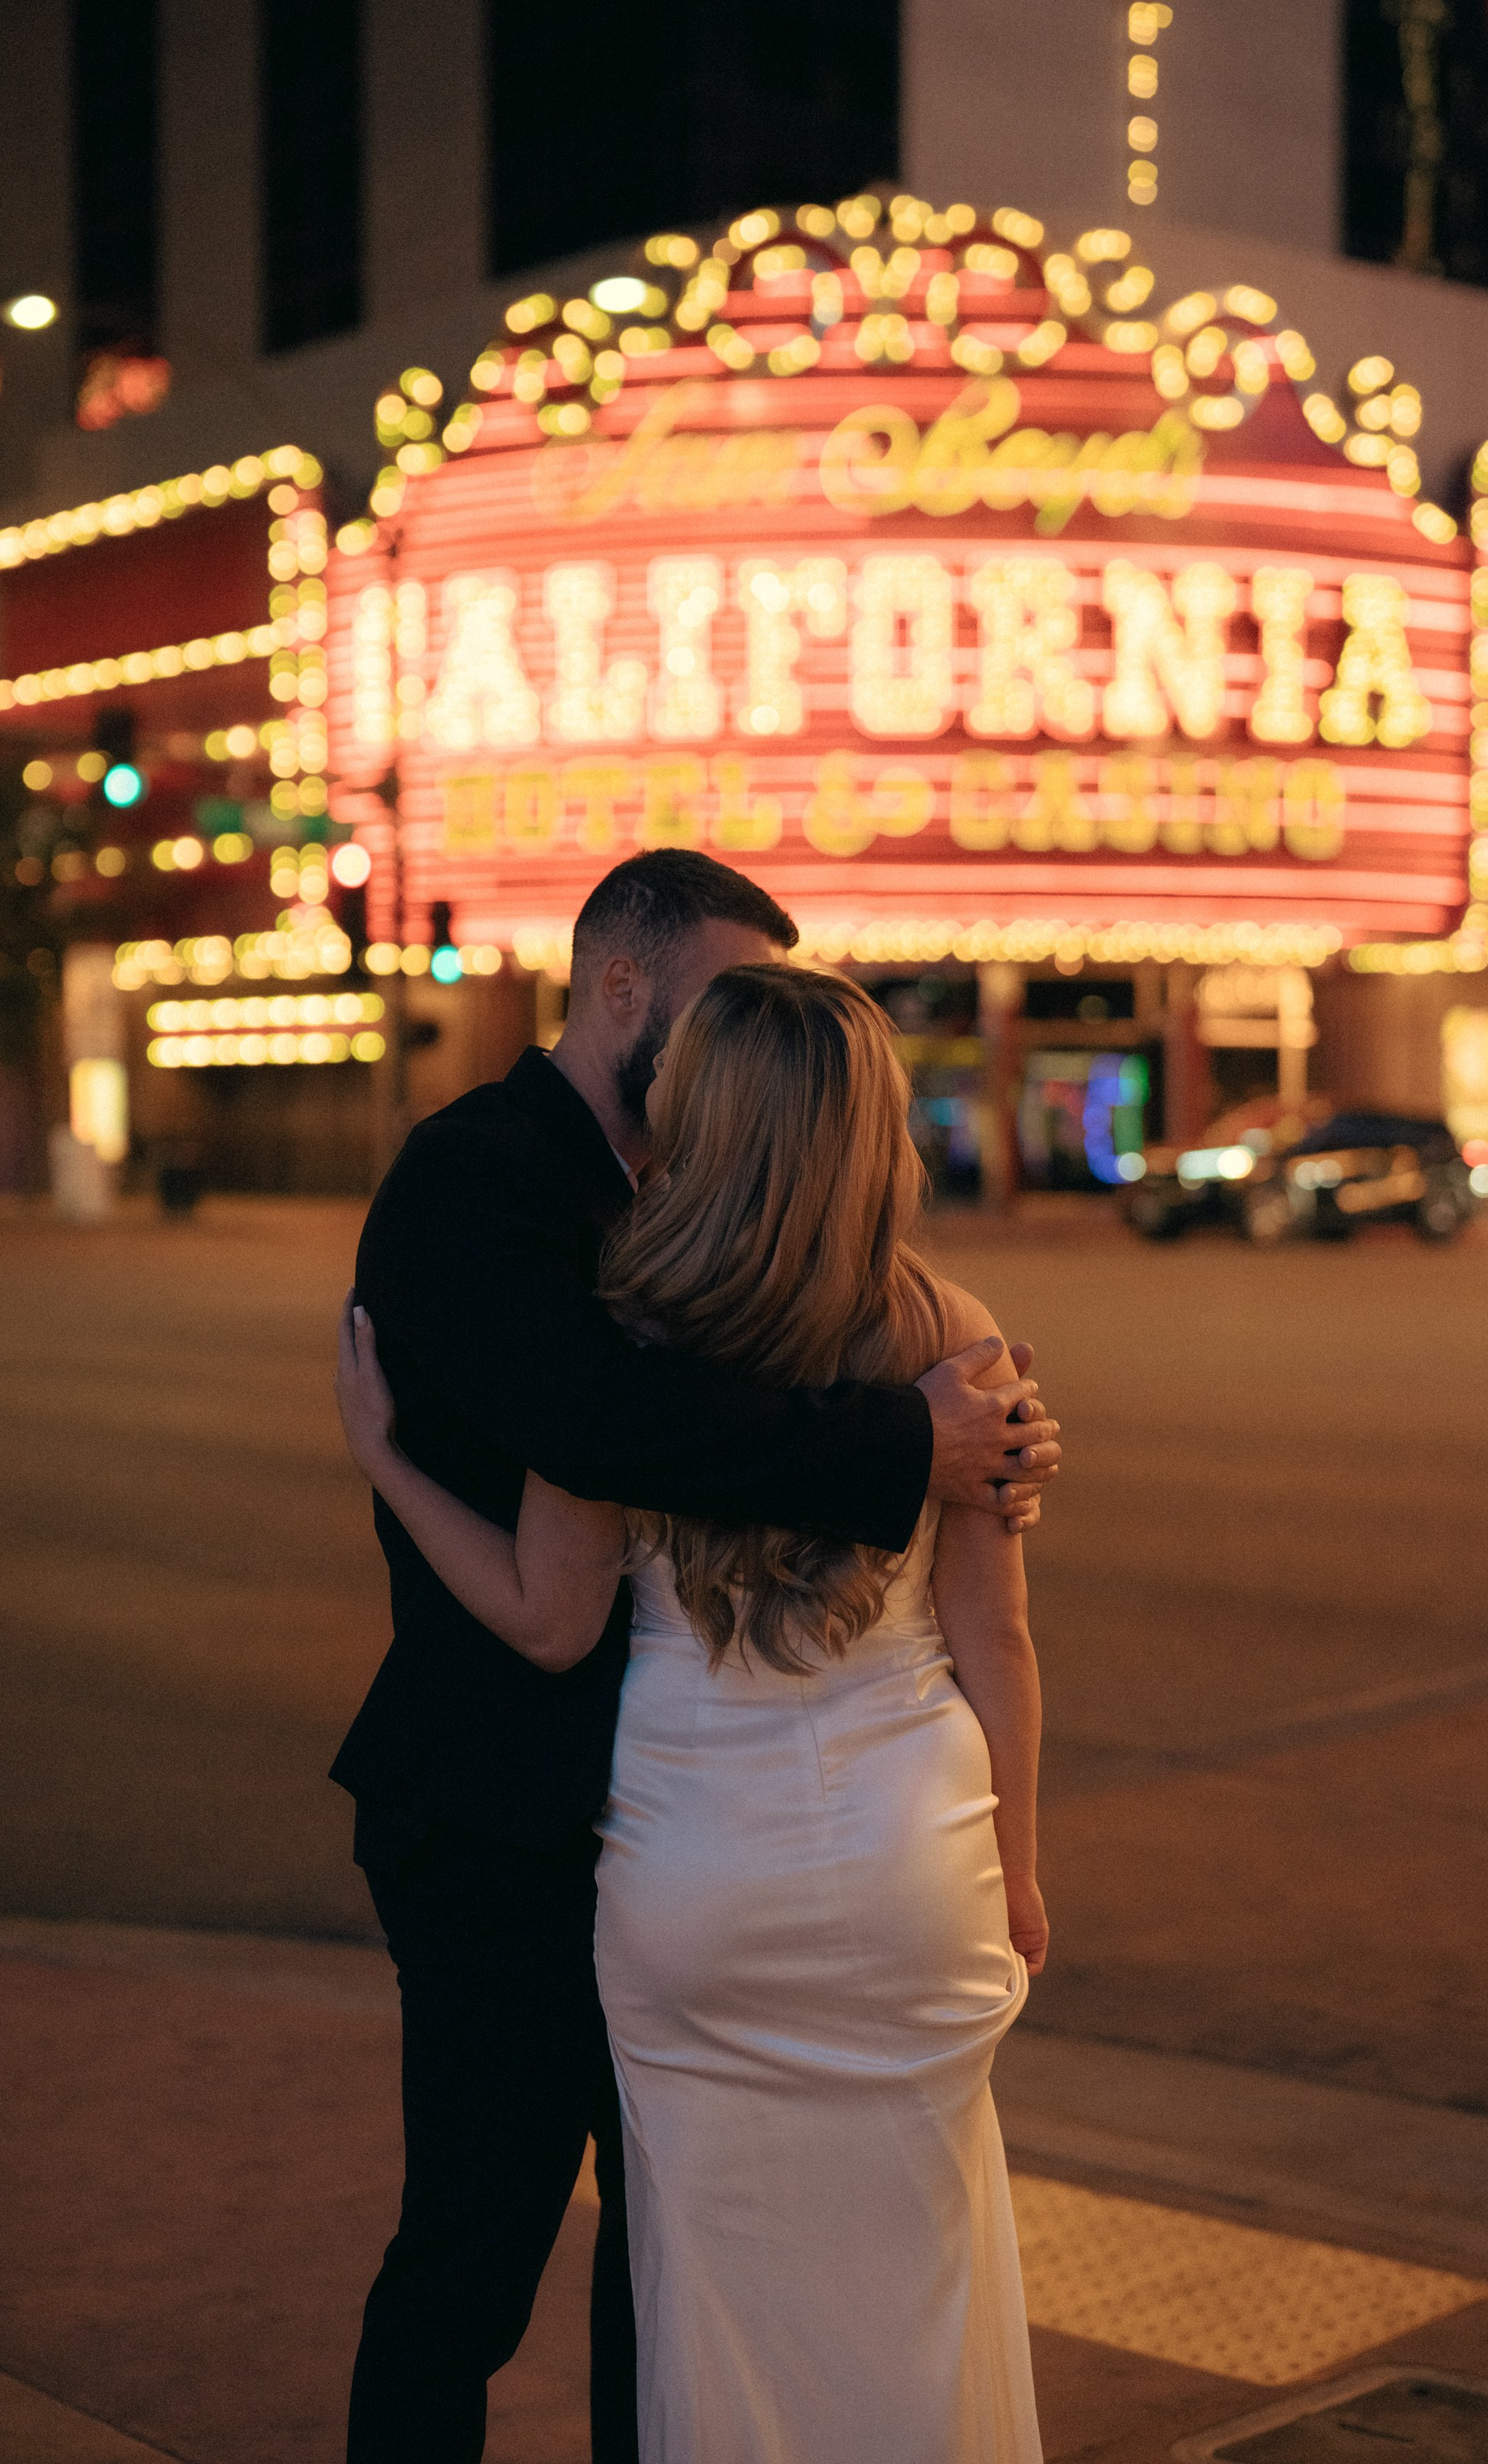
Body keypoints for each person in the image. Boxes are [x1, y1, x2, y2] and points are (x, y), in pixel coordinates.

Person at [331, 851, 1061, 2464]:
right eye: (726, 999)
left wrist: (959, 1443)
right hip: (510, 1826)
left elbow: (591, 1526)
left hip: (660, 1845)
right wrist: (915, 1441)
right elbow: (605, 1420)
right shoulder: (482, 1177)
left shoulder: (661, 1262)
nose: (735, 1037)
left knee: (672, 2279)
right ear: (622, 988)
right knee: (479, 2258)